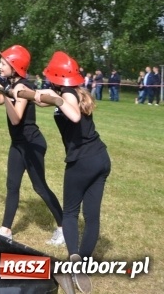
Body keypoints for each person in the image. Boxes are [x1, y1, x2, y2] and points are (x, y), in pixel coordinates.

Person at [35, 51, 111, 294]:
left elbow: (74, 115)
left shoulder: (66, 95)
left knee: (69, 213)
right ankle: (82, 264)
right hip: (100, 159)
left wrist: (56, 100)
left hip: (81, 162)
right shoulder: (77, 92)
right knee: (92, 217)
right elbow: (39, 99)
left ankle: (74, 263)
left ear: (57, 77)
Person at [0, 45, 64, 246]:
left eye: (3, 64)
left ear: (14, 67)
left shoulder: (22, 87)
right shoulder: (8, 82)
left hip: (32, 144)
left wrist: (4, 95)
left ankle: (64, 227)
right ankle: (5, 230)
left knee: (40, 187)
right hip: (18, 144)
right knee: (12, 186)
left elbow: (15, 118)